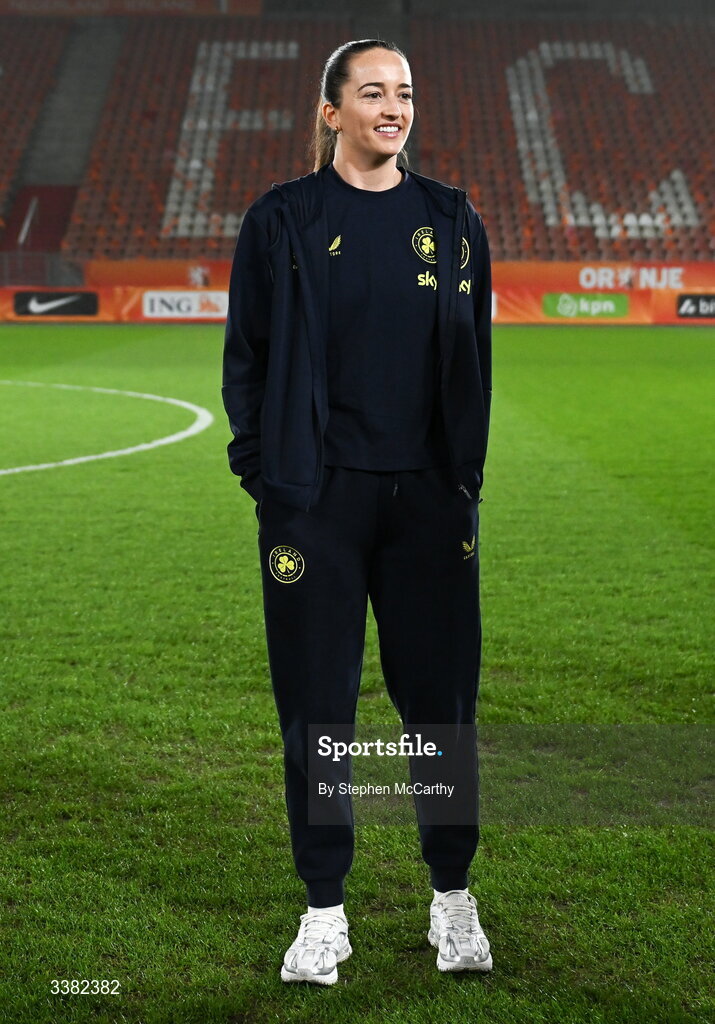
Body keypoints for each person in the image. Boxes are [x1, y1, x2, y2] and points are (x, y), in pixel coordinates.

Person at [222, 38, 493, 985]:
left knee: (440, 709)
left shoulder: (452, 220)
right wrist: (271, 480)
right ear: (331, 111)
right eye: (372, 91)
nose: (394, 106)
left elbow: (474, 365)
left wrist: (464, 480)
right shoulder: (282, 219)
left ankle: (451, 898)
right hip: (315, 505)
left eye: (405, 92)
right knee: (318, 710)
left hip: (428, 503)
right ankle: (323, 910)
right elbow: (247, 357)